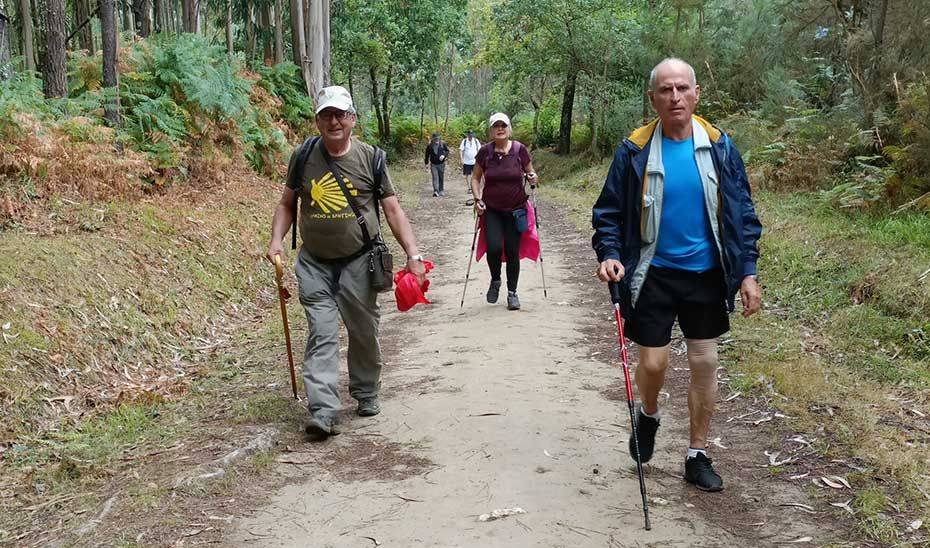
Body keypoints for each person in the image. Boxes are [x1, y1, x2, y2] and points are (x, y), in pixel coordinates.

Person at [591, 58, 762, 491]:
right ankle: (649, 414)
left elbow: (742, 213)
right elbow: (608, 211)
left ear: (696, 94)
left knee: (705, 361)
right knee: (653, 363)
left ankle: (697, 454)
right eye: (666, 90)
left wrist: (747, 273)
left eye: (682, 88)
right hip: (652, 272)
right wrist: (610, 254)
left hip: (707, 273)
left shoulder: (720, 147)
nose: (675, 97)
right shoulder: (634, 150)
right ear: (653, 98)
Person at [267, 85, 427, 440]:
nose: (334, 122)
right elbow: (286, 203)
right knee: (321, 333)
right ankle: (323, 410)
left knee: (363, 330)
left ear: (353, 118)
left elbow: (392, 210)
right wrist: (276, 239)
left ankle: (366, 391)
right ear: (317, 121)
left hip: (359, 262)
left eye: (340, 114)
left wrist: (413, 254)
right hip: (314, 263)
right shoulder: (303, 156)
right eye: (326, 115)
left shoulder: (371, 158)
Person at [470, 112, 539, 311]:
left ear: (509, 129)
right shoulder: (485, 152)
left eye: (503, 125)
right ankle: (496, 279)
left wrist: (533, 177)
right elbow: (475, 178)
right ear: (491, 130)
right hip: (491, 209)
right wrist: (477, 199)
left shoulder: (519, 150)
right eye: (496, 126)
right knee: (493, 248)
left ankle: (512, 293)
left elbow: (531, 173)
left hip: (516, 209)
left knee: (511, 251)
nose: (500, 129)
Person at [424, 132, 450, 197]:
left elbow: (447, 151)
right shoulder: (430, 145)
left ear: (439, 138)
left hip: (441, 164)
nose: (436, 140)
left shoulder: (442, 143)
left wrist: (444, 155)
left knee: (441, 176)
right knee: (435, 177)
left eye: (437, 139)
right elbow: (427, 155)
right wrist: (426, 163)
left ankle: (441, 190)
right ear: (433, 139)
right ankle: (436, 191)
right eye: (435, 139)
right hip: (433, 164)